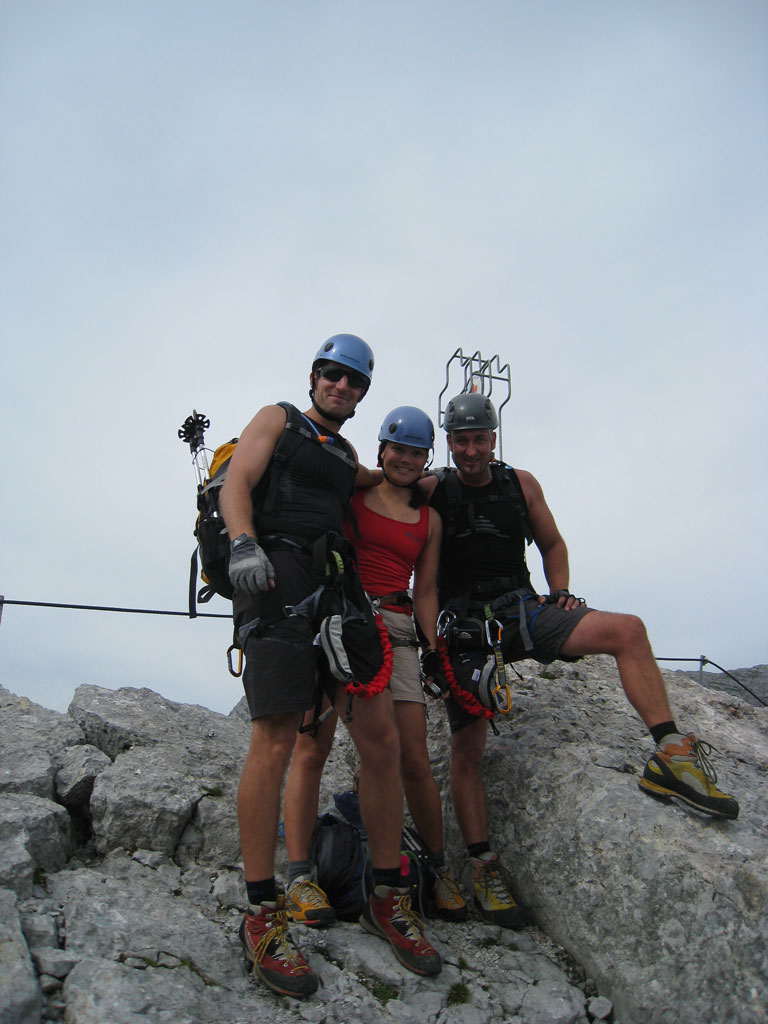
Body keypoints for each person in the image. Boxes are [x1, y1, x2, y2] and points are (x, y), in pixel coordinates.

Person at [420, 392, 740, 930]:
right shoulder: (435, 490)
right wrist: (432, 649)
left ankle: (671, 754)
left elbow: (551, 543)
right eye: (460, 440)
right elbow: (420, 578)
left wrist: (561, 591)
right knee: (468, 748)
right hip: (468, 633)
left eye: (478, 439)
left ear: (493, 439)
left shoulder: (520, 484)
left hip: (522, 609)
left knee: (628, 631)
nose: (470, 450)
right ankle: (481, 864)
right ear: (448, 443)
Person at [220, 336, 441, 999]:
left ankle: (386, 892)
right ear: (314, 376)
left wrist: (439, 477)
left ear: (362, 394)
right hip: (275, 583)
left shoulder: (347, 455)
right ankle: (262, 914)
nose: (342, 386)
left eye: (354, 381)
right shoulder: (278, 420)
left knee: (379, 742)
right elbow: (237, 483)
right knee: (278, 738)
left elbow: (391, 479)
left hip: (336, 596)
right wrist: (241, 544)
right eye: (333, 375)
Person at [282, 406, 468, 930]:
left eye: (416, 452)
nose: (405, 460)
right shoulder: (354, 495)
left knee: (411, 757)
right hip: (341, 620)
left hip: (399, 627)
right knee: (311, 745)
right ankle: (299, 874)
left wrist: (433, 650)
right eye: (397, 449)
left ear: (426, 458)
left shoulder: (427, 520)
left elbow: (425, 590)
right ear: (382, 450)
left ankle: (435, 867)